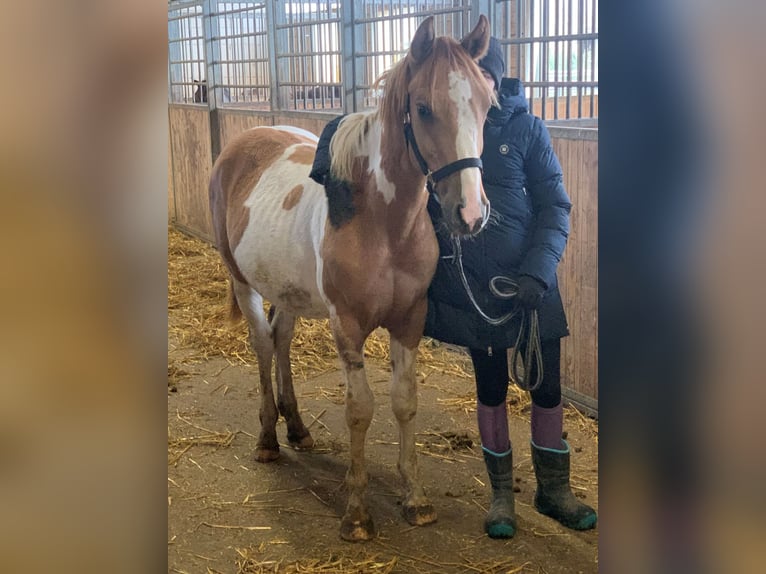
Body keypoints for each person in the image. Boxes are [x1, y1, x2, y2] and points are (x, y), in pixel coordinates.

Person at [423, 37, 597, 538]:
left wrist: (538, 272)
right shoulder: (442, 134)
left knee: (547, 388)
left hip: (532, 286)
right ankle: (501, 495)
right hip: (475, 289)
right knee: (491, 387)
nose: (483, 87)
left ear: (495, 80)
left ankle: (553, 490)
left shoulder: (527, 130)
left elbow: (555, 208)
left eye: (487, 77)